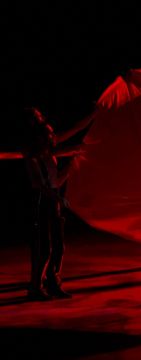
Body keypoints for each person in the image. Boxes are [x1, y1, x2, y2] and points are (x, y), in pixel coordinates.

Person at [22, 108, 75, 300]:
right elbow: (40, 186)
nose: (52, 135)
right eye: (49, 133)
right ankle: (35, 286)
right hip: (40, 204)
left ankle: (53, 282)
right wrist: (58, 199)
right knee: (44, 248)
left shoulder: (49, 157)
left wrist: (71, 166)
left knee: (59, 246)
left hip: (53, 204)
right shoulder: (34, 158)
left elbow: (57, 182)